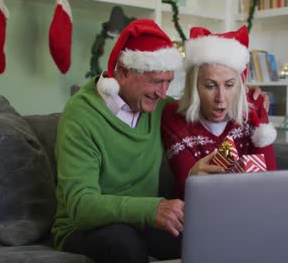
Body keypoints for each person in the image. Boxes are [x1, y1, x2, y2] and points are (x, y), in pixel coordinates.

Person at [52, 19, 267, 263]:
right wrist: (153, 209)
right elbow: (81, 206)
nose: (163, 93)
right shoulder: (81, 115)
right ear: (123, 72)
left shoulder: (158, 108)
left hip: (144, 221)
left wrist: (246, 95)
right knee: (123, 242)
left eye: (168, 82)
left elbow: (209, 104)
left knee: (211, 234)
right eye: (155, 82)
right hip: (85, 228)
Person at [161, 25, 278, 200]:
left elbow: (269, 180)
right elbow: (189, 188)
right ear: (194, 87)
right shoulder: (174, 117)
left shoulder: (253, 110)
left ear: (239, 85)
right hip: (199, 213)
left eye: (229, 85)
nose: (220, 98)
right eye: (210, 85)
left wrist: (260, 114)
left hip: (250, 209)